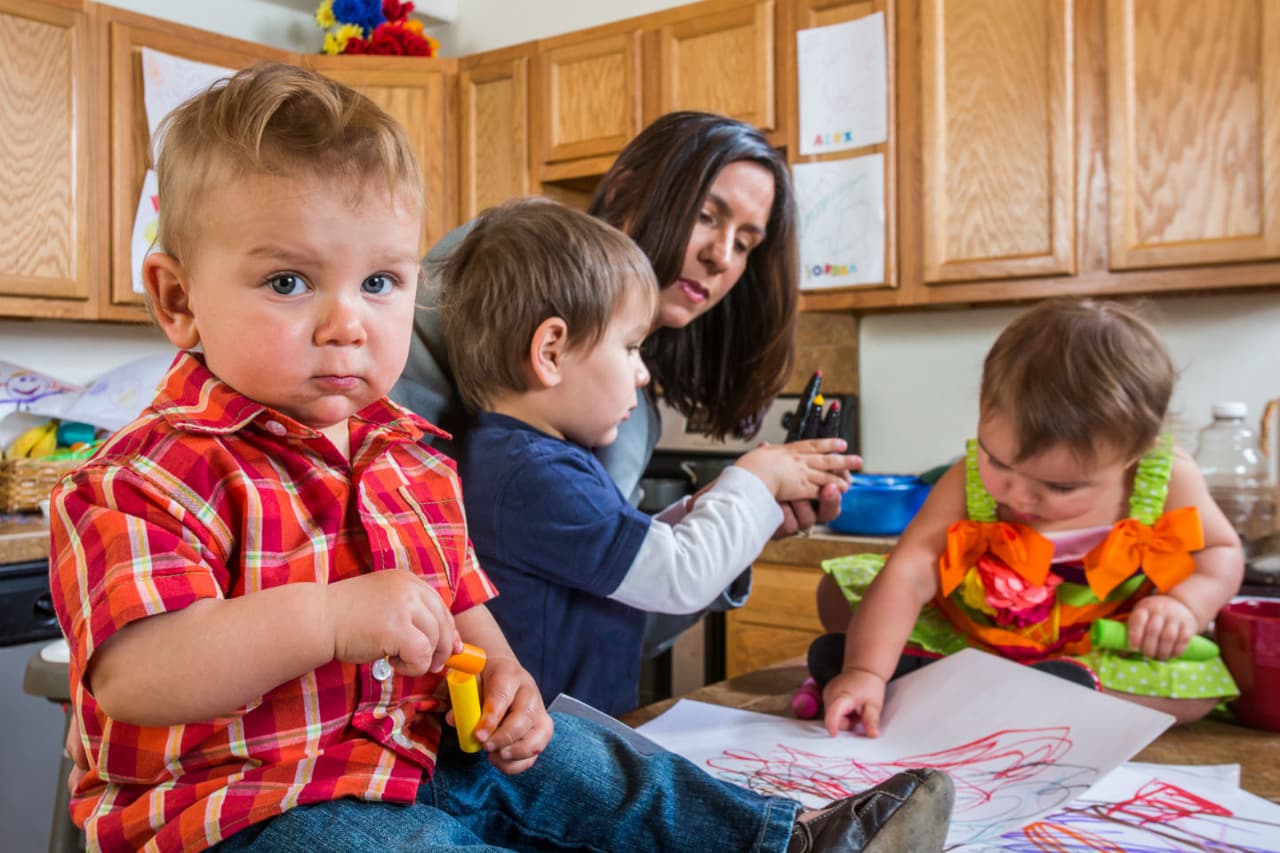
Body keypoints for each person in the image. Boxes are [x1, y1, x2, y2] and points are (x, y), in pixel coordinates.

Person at [47, 62, 955, 853]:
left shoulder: (411, 454)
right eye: (289, 281)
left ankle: (782, 840)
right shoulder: (144, 474)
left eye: (380, 282)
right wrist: (327, 617)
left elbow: (461, 598)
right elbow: (134, 675)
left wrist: (508, 676)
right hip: (245, 809)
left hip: (408, 758)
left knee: (588, 758)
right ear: (178, 299)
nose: (347, 323)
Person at [391, 111, 845, 658]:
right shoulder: (505, 267)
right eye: (705, 216)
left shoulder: (625, 418)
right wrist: (743, 496)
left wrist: (729, 524)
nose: (721, 257)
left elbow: (609, 600)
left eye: (745, 244)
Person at [436, 198, 860, 715]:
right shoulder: (533, 474)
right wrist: (756, 478)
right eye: (631, 347)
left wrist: (703, 509)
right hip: (551, 746)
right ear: (550, 352)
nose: (643, 373)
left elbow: (624, 554)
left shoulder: (525, 458)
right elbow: (679, 576)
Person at [811, 298, 1245, 739]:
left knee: (1198, 695)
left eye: (1060, 487)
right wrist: (866, 670)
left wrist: (1185, 603)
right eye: (999, 463)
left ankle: (1040, 690)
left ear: (1135, 451)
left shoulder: (1166, 478)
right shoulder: (967, 477)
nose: (1018, 495)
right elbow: (910, 571)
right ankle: (919, 673)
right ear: (983, 407)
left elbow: (1222, 551)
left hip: (1095, 649)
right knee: (840, 591)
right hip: (977, 636)